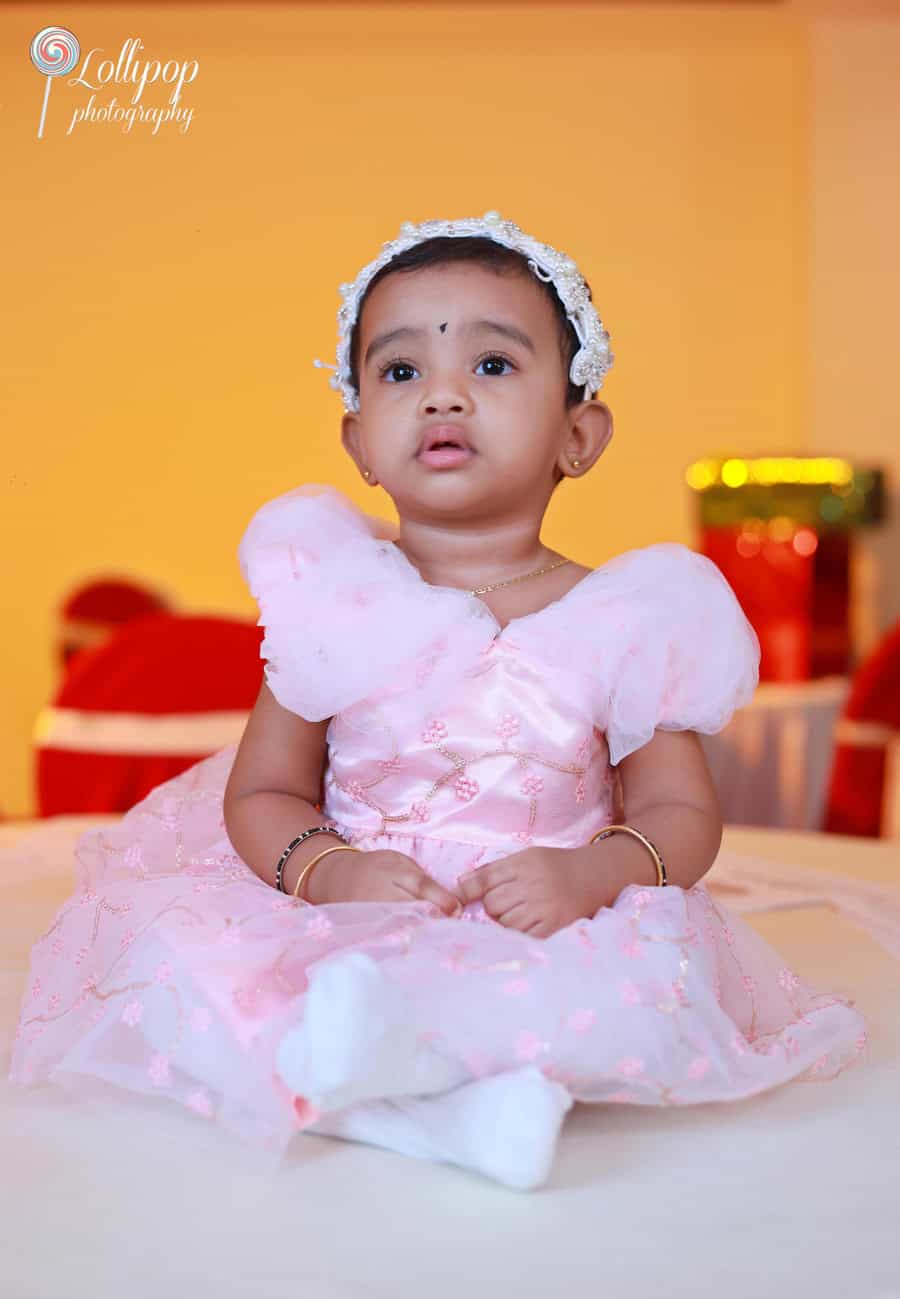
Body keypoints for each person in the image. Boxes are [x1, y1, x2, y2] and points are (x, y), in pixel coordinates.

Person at [9, 212, 867, 1191]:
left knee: (629, 999)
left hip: (544, 913)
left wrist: (591, 877)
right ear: (359, 439)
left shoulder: (627, 613)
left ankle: (403, 1087)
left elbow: (680, 813)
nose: (443, 395)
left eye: (494, 367)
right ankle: (454, 1105)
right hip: (356, 900)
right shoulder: (336, 599)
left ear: (579, 433)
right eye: (401, 372)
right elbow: (263, 794)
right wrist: (329, 873)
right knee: (199, 972)